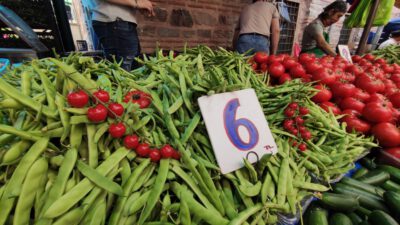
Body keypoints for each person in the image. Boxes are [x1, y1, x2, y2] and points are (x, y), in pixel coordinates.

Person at [91, 0, 154, 71]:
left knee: (130, 69)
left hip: (117, 22)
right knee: (122, 72)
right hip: (114, 21)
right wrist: (136, 3)